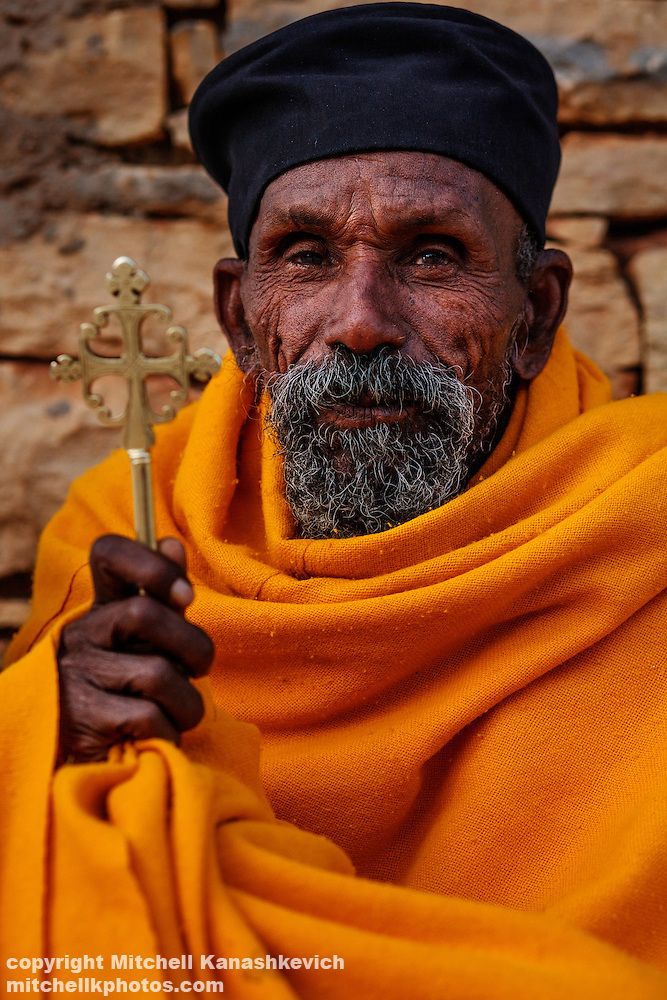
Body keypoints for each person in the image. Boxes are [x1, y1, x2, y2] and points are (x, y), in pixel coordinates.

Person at [2, 3, 666, 997]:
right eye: (307, 255)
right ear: (240, 317)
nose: (359, 323)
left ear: (535, 316)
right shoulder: (127, 536)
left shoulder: (641, 533)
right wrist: (52, 735)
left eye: (431, 254)